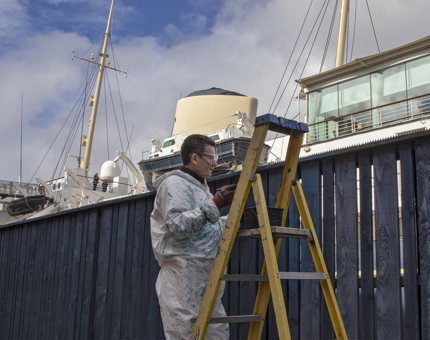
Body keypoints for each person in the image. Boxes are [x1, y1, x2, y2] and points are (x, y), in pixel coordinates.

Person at [150, 134, 236, 340]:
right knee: (188, 334)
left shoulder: (199, 189)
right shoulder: (175, 185)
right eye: (211, 158)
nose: (215, 164)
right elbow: (177, 225)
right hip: (183, 283)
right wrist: (214, 204)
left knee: (216, 335)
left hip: (205, 281)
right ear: (195, 158)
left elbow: (207, 228)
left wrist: (237, 219)